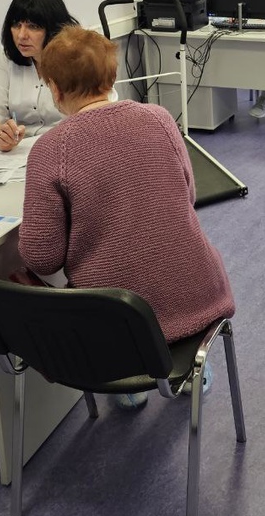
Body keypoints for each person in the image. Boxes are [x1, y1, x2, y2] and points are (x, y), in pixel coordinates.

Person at [18, 26, 234, 410]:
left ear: (55, 89)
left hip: (115, 321)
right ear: (111, 77)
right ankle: (189, 366)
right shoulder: (160, 119)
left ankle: (131, 378)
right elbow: (188, 196)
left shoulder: (50, 150)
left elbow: (41, 257)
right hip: (200, 296)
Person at [0, 0, 78, 151]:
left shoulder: (78, 57)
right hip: (21, 151)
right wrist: (0, 137)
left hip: (66, 147)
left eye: (33, 26)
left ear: (54, 28)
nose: (21, 35)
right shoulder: (7, 57)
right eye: (16, 25)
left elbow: (95, 114)